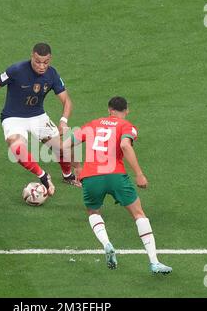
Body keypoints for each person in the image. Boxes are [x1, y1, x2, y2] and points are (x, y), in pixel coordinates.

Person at [65, 96, 172, 274]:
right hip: (116, 175)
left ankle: (106, 243)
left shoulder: (92, 124)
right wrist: (139, 174)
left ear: (109, 109)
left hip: (91, 177)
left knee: (93, 212)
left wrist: (77, 168)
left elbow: (65, 144)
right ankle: (154, 261)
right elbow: (125, 145)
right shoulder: (126, 126)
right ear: (126, 110)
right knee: (139, 214)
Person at [0, 43, 80, 195]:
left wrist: (64, 120)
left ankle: (68, 175)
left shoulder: (52, 74)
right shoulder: (16, 70)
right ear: (32, 56)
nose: (41, 66)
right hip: (13, 118)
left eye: (45, 62)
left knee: (62, 148)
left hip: (38, 116)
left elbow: (67, 100)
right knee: (17, 148)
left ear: (50, 59)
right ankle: (43, 176)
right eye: (38, 61)